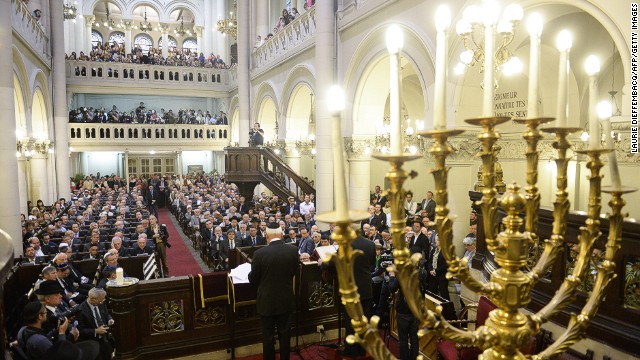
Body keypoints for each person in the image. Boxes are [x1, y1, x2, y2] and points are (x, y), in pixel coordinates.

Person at [249, 223, 299, 360]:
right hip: (286, 299)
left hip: (267, 301)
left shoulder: (259, 254)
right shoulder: (293, 251)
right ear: (282, 235)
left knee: (268, 336)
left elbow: (253, 279)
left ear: (266, 236)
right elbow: (293, 272)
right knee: (285, 335)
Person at [75, 288, 115, 360]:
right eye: (100, 301)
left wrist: (109, 319)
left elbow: (106, 314)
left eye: (103, 299)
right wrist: (95, 331)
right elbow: (80, 331)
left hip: (105, 336)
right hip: (93, 341)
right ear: (92, 299)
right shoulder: (80, 310)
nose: (102, 302)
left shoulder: (101, 301)